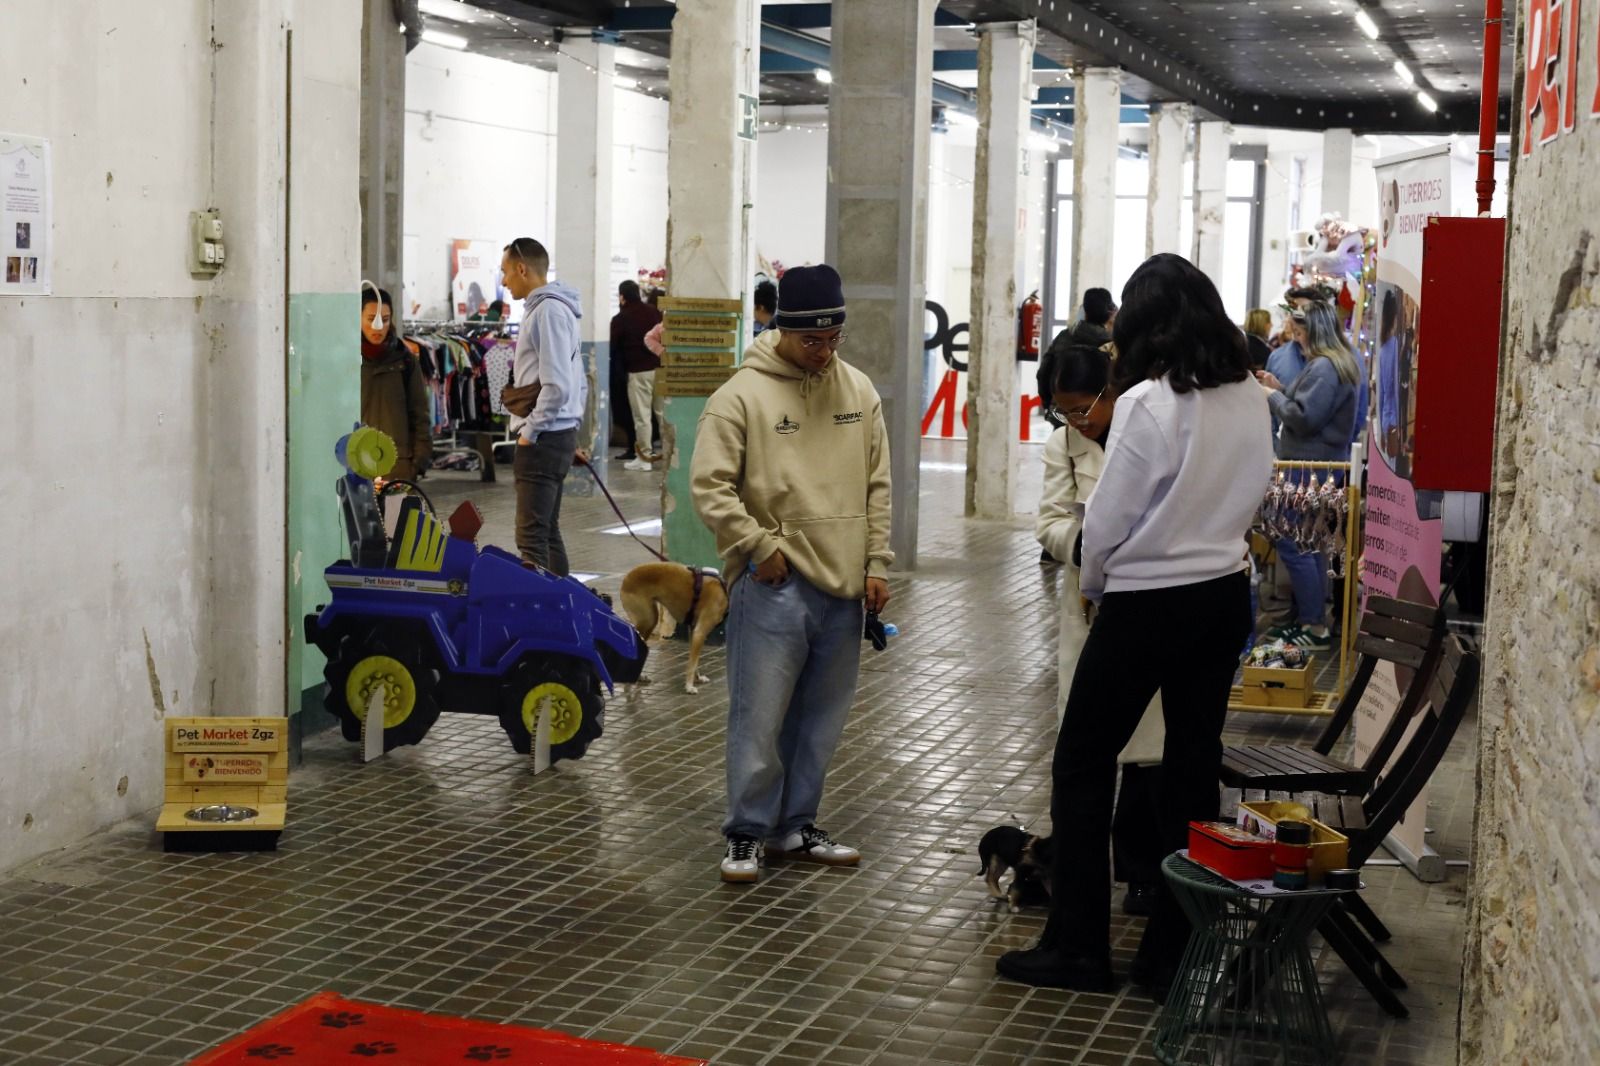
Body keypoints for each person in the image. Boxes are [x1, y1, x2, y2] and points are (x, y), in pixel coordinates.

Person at [997, 253, 1273, 995]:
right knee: (1190, 771)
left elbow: (1109, 521)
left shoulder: (1151, 403)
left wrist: (1095, 584)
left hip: (1147, 601)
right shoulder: (1250, 395)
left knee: (1082, 765)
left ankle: (1080, 946)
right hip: (1222, 598)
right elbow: (1256, 491)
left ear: (1148, 326)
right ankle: (1171, 954)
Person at [691, 263, 893, 884]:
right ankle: (746, 833)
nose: (825, 353)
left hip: (845, 586)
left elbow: (878, 484)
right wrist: (756, 546)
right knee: (760, 716)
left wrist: (877, 561)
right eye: (812, 341)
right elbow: (709, 487)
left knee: (820, 720)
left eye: (835, 340)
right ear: (782, 329)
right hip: (774, 585)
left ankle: (795, 827)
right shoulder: (739, 397)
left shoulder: (858, 391)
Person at [1035, 343, 1165, 917]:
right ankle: (1076, 874)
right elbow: (1050, 520)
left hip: (1148, 596)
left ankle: (1141, 871)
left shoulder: (1148, 427)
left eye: (1083, 409)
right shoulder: (1062, 443)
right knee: (1086, 747)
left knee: (1146, 750)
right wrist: (1084, 546)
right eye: (1062, 412)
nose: (1076, 423)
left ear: (1110, 393)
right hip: (1089, 601)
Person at [1256, 300, 1361, 650]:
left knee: (1295, 543)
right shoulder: (1335, 364)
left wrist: (1271, 396)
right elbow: (1312, 409)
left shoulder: (1324, 368)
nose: (1297, 340)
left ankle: (1313, 624)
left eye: (1300, 333)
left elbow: (1303, 418)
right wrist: (1281, 388)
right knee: (1311, 546)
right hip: (1321, 467)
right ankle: (1312, 621)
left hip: (1308, 470)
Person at [501, 237, 586, 576]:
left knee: (532, 538)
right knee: (546, 532)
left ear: (522, 269)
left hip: (543, 438)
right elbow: (577, 381)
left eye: (506, 272)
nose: (505, 280)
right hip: (556, 433)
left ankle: (542, 615)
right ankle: (561, 611)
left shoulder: (548, 311)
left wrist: (531, 432)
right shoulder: (556, 307)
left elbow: (558, 385)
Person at [359, 284, 431, 483]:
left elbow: (420, 415)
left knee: (396, 515)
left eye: (384, 319)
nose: (378, 327)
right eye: (371, 318)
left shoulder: (405, 360)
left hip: (398, 467)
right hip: (356, 465)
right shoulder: (346, 360)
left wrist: (418, 462)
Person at [1037, 287, 1117, 425]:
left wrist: (1049, 405)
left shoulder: (1063, 337)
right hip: (1095, 419)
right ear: (1109, 313)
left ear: (1084, 312)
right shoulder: (1111, 345)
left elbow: (1043, 373)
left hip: (1061, 413)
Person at [611, 280, 664, 470]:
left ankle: (645, 458)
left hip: (638, 373)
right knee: (663, 414)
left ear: (622, 297)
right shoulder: (654, 312)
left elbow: (614, 348)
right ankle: (671, 455)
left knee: (642, 417)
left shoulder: (620, 319)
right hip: (660, 369)